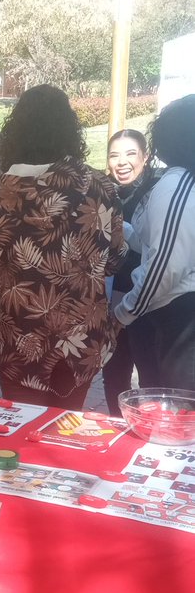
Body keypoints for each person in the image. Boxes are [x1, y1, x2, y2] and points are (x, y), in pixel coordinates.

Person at [0, 85, 125, 408]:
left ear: (18, 133)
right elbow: (115, 259)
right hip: (79, 342)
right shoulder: (100, 186)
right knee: (65, 427)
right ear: (70, 131)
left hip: (18, 338)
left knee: (23, 429)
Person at [115, 95, 195, 390]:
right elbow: (151, 241)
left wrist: (124, 312)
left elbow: (164, 266)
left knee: (176, 413)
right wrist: (119, 226)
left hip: (182, 318)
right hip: (176, 316)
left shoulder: (177, 185)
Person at [102, 129, 161, 413]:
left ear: (145, 157)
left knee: (150, 374)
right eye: (114, 155)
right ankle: (117, 424)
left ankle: (151, 429)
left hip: (148, 300)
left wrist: (121, 229)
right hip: (112, 300)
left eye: (130, 154)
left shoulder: (158, 192)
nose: (121, 162)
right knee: (113, 372)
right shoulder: (104, 192)